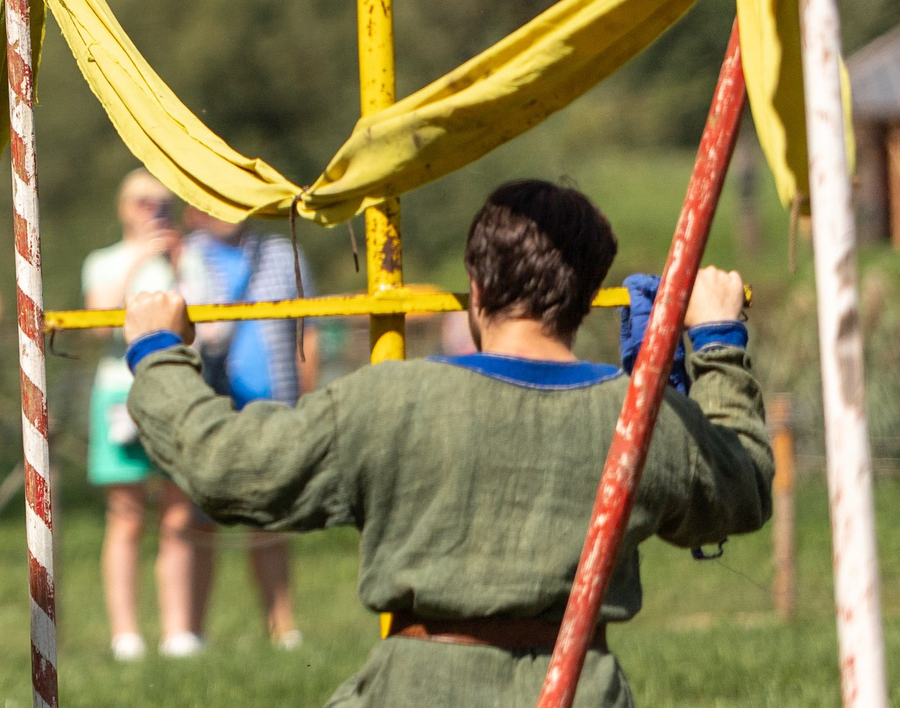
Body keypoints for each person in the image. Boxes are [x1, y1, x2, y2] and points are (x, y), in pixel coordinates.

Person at [123, 179, 773, 705]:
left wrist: (157, 352)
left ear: (478, 287)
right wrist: (718, 341)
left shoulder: (392, 400)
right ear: (585, 295)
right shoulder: (639, 419)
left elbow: (226, 466)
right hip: (580, 688)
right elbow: (742, 486)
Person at [177, 204, 310, 652]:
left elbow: (305, 332)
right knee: (200, 522)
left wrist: (307, 403)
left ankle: (282, 627)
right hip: (210, 407)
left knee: (269, 519)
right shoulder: (182, 255)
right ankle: (191, 633)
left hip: (276, 407)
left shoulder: (280, 252)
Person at [80, 170, 194, 662]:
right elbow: (95, 324)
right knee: (125, 517)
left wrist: (180, 265)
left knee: (178, 515)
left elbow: (203, 329)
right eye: (143, 201)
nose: (153, 210)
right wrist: (139, 262)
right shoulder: (103, 261)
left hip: (176, 391)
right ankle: (125, 634)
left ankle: (179, 631)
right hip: (117, 396)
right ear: (123, 207)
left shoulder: (187, 259)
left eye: (161, 202)